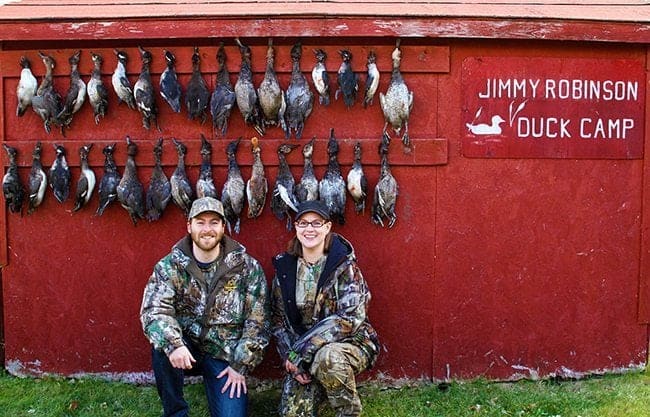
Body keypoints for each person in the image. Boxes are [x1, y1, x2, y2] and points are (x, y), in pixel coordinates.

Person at [140, 196, 269, 417]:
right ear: (189, 226)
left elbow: (258, 321)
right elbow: (154, 311)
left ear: (223, 226)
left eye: (214, 222)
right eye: (200, 222)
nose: (207, 229)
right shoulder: (170, 265)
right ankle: (176, 412)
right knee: (162, 346)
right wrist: (174, 344)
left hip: (224, 354)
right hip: (185, 348)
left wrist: (241, 364)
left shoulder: (247, 267)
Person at [271, 200, 380, 417]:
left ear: (327, 227)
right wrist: (289, 358)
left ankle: (348, 412)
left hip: (348, 344)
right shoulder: (285, 269)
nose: (309, 229)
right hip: (301, 354)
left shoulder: (345, 267)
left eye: (316, 223)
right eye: (303, 223)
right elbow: (278, 320)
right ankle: (320, 389)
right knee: (293, 414)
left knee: (327, 357)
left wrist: (302, 352)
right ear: (296, 227)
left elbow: (349, 319)